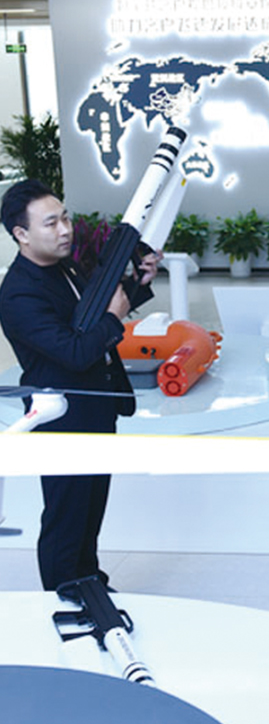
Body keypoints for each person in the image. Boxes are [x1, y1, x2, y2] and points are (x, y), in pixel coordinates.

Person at [0, 179, 160, 591]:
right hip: (61, 416)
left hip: (95, 404)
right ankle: (61, 595)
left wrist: (138, 283)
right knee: (66, 516)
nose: (65, 230)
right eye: (51, 223)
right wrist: (114, 318)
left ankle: (89, 581)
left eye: (65, 218)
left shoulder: (64, 266)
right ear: (21, 234)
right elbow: (74, 351)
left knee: (90, 509)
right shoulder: (19, 294)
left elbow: (91, 319)